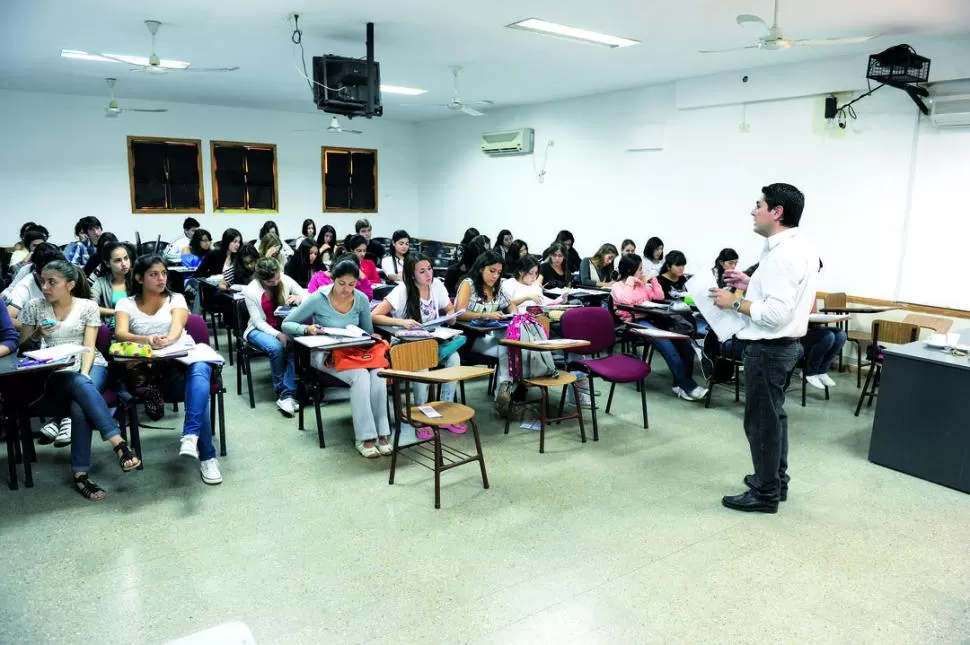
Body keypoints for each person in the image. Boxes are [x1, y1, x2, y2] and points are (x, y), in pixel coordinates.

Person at [710, 183, 817, 513]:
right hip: (783, 347)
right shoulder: (794, 247)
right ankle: (773, 480)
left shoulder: (783, 254)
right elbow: (776, 296)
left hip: (769, 349)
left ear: (777, 212)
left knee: (761, 423)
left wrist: (735, 301)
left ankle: (766, 493)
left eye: (758, 205)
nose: (752, 211)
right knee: (773, 419)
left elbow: (773, 313)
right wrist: (750, 284)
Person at [19, 260, 141, 500]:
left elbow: (89, 346)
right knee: (79, 389)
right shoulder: (34, 306)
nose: (45, 287)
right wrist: (36, 334)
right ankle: (119, 444)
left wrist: (83, 376)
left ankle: (80, 475)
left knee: (79, 403)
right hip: (55, 370)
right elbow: (23, 345)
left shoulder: (87, 306)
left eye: (52, 282)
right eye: (42, 281)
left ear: (70, 284)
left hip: (90, 364)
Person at [115, 255, 224, 485]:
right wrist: (147, 339)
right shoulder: (126, 304)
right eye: (154, 274)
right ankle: (203, 450)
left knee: (200, 368)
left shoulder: (177, 299)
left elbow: (177, 328)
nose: (161, 278)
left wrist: (167, 340)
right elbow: (121, 334)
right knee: (199, 393)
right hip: (150, 372)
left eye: (163, 273)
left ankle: (196, 442)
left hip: (179, 362)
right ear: (139, 278)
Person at [281, 256, 392, 458]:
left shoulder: (361, 299)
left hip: (352, 352)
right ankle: (365, 437)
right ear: (333, 279)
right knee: (360, 376)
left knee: (378, 373)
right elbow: (287, 324)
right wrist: (308, 329)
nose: (346, 289)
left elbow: (367, 331)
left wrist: (372, 337)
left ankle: (382, 433)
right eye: (341, 283)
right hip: (324, 354)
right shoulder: (318, 298)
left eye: (351, 284)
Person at [372, 252, 465, 438]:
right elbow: (374, 315)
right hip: (408, 344)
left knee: (455, 358)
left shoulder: (436, 285)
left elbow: (448, 307)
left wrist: (452, 314)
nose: (428, 274)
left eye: (429, 269)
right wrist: (402, 322)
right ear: (412, 274)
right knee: (422, 363)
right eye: (422, 271)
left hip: (433, 341)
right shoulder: (402, 290)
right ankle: (422, 414)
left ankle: (445, 409)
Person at [611, 254, 708, 401]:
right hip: (636, 322)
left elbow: (659, 296)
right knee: (668, 347)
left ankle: (679, 385)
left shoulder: (641, 284)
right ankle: (688, 386)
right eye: (639, 269)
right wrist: (631, 281)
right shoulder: (618, 286)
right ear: (630, 270)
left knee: (685, 343)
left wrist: (653, 280)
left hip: (654, 319)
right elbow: (627, 300)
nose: (642, 272)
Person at [243, 258, 305, 415]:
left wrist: (299, 298)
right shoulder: (251, 290)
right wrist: (278, 335)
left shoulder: (284, 278)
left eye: (278, 277)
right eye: (271, 281)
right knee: (276, 347)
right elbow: (257, 322)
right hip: (258, 329)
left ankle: (287, 394)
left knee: (296, 345)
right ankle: (283, 392)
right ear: (262, 279)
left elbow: (306, 293)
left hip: (282, 325)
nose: (277, 282)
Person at [455, 250, 513, 405]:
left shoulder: (498, 286)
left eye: (499, 272)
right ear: (481, 268)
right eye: (492, 271)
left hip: (489, 335)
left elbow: (511, 305)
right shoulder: (469, 284)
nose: (495, 276)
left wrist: (513, 315)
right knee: (507, 349)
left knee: (511, 346)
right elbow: (460, 313)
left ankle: (504, 391)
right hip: (468, 338)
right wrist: (485, 316)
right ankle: (504, 392)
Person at [6, 243, 66, 333]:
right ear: (36, 271)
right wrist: (33, 328)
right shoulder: (25, 286)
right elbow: (6, 318)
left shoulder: (67, 278)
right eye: (44, 279)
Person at [195, 228, 244, 318]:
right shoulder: (215, 254)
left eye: (239, 242)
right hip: (216, 291)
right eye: (234, 241)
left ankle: (240, 328)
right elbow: (199, 273)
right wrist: (216, 279)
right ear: (227, 241)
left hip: (233, 290)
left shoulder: (238, 256)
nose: (237, 245)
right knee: (229, 302)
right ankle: (234, 328)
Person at [90, 241, 134, 329]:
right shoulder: (101, 282)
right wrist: (118, 312)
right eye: (118, 260)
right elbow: (91, 307)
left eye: (126, 258)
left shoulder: (137, 278)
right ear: (107, 263)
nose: (124, 263)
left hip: (136, 326)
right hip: (112, 330)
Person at [501, 256, 565, 313]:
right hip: (518, 319)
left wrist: (560, 300)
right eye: (531, 273)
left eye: (536, 273)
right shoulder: (509, 283)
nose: (534, 276)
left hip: (538, 318)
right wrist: (527, 297)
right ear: (520, 271)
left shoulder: (536, 286)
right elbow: (505, 305)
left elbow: (544, 303)